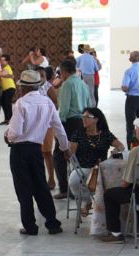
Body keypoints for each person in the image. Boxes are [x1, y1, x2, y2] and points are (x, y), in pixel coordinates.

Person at [4, 70, 71, 235]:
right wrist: (65, 147)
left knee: (23, 189)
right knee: (41, 186)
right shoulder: (47, 103)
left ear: (24, 88)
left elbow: (15, 131)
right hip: (36, 149)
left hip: (19, 150)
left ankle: (30, 226)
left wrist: (7, 136)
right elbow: (58, 128)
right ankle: (52, 223)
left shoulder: (21, 103)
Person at [70, 108, 125, 216]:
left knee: (116, 182)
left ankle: (101, 205)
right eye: (83, 116)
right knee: (74, 181)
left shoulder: (105, 134)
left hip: (101, 168)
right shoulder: (78, 133)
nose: (84, 119)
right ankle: (88, 201)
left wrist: (114, 151)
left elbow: (121, 146)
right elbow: (72, 154)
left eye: (87, 117)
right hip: (83, 168)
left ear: (96, 120)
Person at [54, 59, 90, 199]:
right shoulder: (83, 84)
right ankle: (79, 186)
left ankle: (65, 188)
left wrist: (59, 130)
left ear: (63, 72)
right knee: (78, 154)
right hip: (82, 121)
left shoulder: (67, 84)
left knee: (59, 154)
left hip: (69, 123)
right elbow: (89, 105)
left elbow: (64, 110)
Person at [36, 66, 58, 190]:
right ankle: (40, 178)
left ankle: (51, 178)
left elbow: (56, 104)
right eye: (37, 75)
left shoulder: (48, 87)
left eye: (42, 75)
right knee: (36, 153)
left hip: (47, 125)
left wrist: (45, 108)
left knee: (47, 152)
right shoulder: (31, 88)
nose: (40, 78)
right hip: (34, 125)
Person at [0, 54, 16, 125]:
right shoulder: (2, 68)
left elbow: (3, 74)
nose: (1, 61)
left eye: (3, 60)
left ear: (7, 61)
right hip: (5, 89)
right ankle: (7, 119)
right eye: (1, 60)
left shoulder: (7, 67)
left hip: (10, 87)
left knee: (7, 103)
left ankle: (10, 119)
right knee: (3, 103)